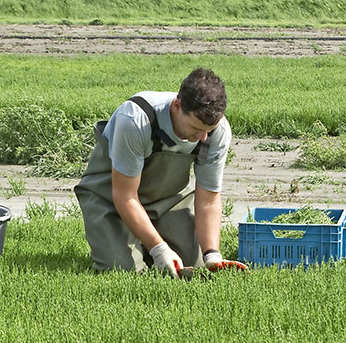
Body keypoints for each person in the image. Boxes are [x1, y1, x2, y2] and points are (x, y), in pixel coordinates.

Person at [74, 67, 247, 277]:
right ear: (177, 105)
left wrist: (212, 255)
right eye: (195, 128)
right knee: (121, 269)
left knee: (194, 265)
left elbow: (209, 199)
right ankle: (136, 244)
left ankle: (144, 242)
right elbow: (125, 197)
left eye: (208, 130)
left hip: (165, 201)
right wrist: (159, 249)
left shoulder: (217, 131)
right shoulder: (136, 119)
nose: (203, 138)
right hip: (109, 198)